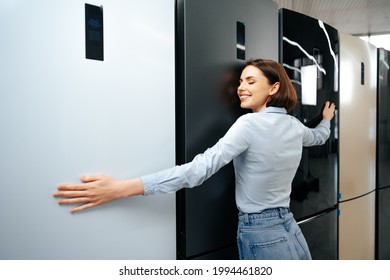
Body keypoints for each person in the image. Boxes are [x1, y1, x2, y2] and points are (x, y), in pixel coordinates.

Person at [53, 58, 335, 260]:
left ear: (273, 88)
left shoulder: (249, 125)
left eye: (251, 81)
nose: (240, 87)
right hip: (289, 226)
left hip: (262, 232)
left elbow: (198, 170)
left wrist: (121, 188)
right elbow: (319, 136)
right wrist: (326, 120)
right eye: (240, 81)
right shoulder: (294, 126)